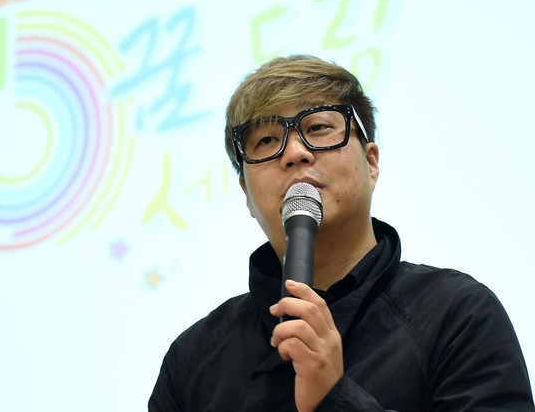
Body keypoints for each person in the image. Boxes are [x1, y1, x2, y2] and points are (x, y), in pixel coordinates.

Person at [148, 54, 534, 411]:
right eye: (266, 140)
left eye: (318, 127)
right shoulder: (193, 359)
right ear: (246, 194)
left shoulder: (458, 315)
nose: (294, 153)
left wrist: (335, 398)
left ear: (371, 162)